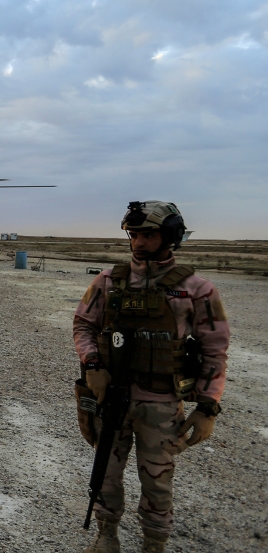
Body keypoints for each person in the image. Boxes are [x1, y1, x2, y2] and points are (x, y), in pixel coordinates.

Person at [72, 201, 229, 553]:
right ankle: (106, 536)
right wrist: (93, 366)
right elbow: (83, 325)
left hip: (161, 402)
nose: (139, 242)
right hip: (111, 397)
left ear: (170, 236)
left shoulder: (197, 288)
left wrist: (208, 407)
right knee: (105, 472)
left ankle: (154, 544)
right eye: (134, 235)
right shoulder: (108, 281)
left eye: (149, 235)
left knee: (158, 480)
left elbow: (215, 348)